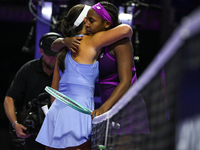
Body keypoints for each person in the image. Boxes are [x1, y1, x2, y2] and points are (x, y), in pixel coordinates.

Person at [36, 3, 132, 150]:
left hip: (57, 110)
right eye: (90, 19)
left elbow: (54, 87)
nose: (90, 21)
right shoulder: (92, 40)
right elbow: (126, 29)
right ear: (85, 21)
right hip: (79, 110)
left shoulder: (62, 50)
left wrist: (64, 40)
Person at [3, 32, 62, 150]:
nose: (54, 58)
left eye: (57, 54)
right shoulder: (28, 69)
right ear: (41, 52)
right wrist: (15, 124)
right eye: (50, 55)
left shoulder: (66, 72)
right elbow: (9, 98)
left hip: (58, 128)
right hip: (32, 130)